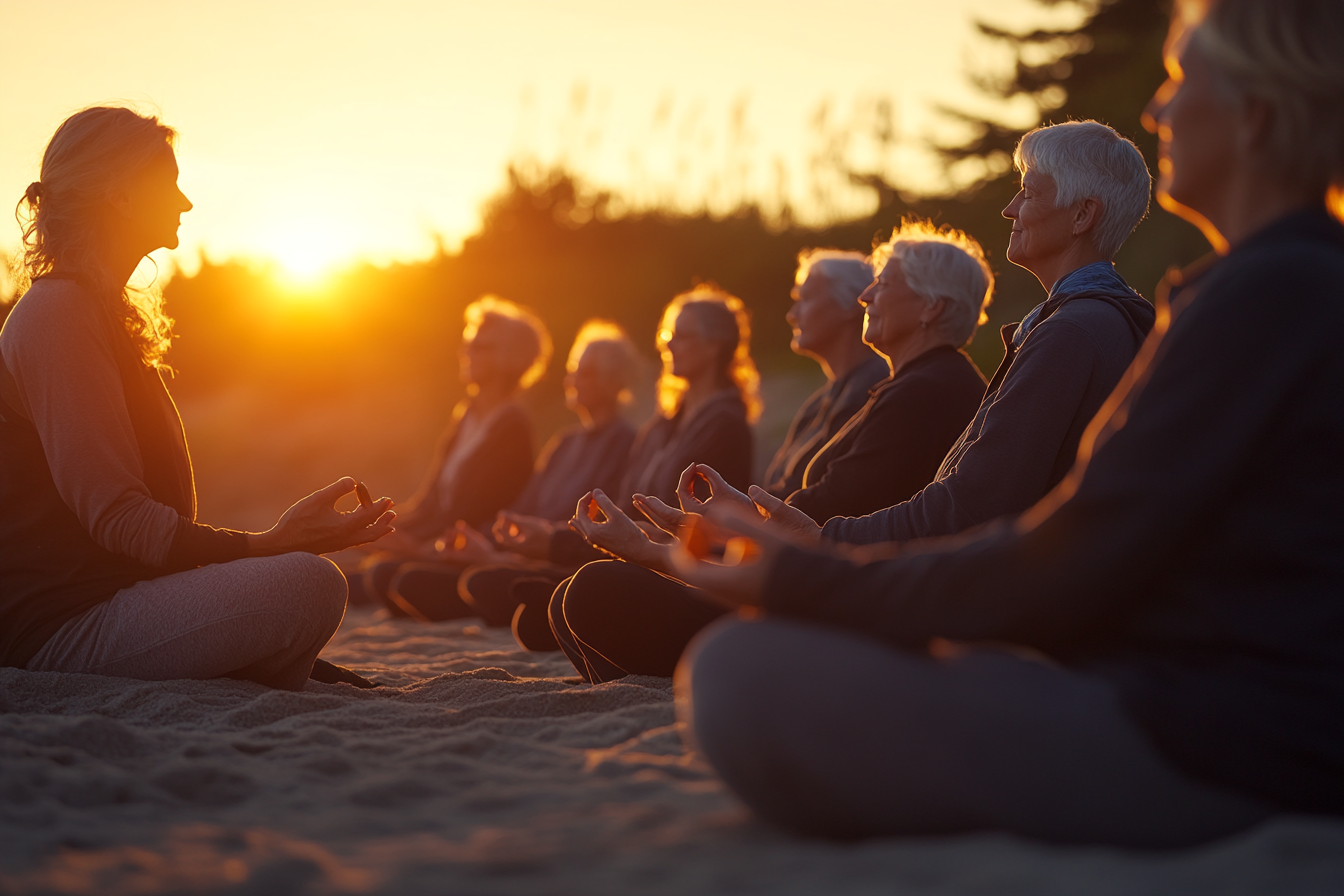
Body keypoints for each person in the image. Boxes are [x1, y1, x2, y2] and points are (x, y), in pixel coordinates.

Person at [674, 0, 1343, 848]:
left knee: (740, 670)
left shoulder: (1266, 294)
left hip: (1225, 733)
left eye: (1181, 79)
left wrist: (805, 574)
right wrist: (815, 565)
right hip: (1197, 690)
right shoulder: (1262, 287)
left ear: (1255, 112)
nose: (1157, 108)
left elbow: (1067, 547)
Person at [0, 106, 394, 691]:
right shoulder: (58, 313)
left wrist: (265, 549)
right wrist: (271, 544)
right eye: (169, 183)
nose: (184, 202)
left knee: (299, 582)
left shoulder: (96, 310)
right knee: (309, 584)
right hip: (61, 628)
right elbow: (119, 518)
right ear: (120, 196)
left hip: (122, 599)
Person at [553, 222, 991, 681]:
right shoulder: (910, 386)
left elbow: (829, 512)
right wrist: (707, 525)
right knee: (574, 597)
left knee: (593, 591)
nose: (866, 296)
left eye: (883, 284)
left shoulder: (926, 391)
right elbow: (818, 510)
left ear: (930, 307)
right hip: (812, 582)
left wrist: (669, 544)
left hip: (829, 607)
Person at [487, 286, 761, 648]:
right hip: (636, 554)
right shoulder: (661, 426)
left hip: (681, 569)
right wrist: (555, 537)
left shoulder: (725, 424)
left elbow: (694, 527)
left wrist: (556, 542)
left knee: (560, 594)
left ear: (714, 346)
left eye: (682, 335)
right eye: (667, 334)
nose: (669, 344)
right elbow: (625, 507)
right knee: (533, 598)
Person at [386, 320, 639, 623]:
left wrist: (434, 548)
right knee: (399, 577)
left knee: (459, 582)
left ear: (615, 381)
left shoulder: (625, 443)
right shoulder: (564, 442)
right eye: (573, 370)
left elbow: (599, 522)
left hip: (556, 559)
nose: (572, 380)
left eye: (587, 373)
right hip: (521, 553)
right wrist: (484, 540)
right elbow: (521, 507)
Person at [347, 295, 549, 610]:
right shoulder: (465, 416)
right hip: (436, 542)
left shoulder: (513, 428)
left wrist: (414, 546)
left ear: (509, 358)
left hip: (466, 549)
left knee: (385, 576)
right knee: (352, 567)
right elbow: (429, 502)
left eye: (480, 346)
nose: (466, 352)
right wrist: (381, 527)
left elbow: (474, 512)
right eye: (468, 344)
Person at [758, 249, 889, 505]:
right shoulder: (822, 401)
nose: (792, 315)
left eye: (806, 299)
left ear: (852, 305)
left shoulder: (871, 390)